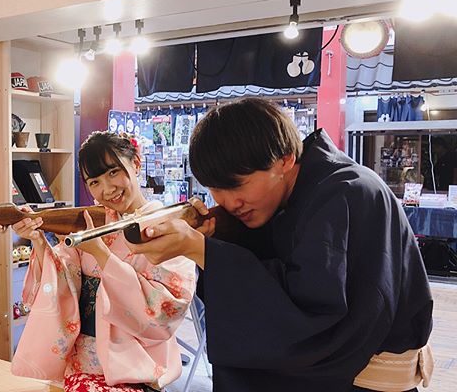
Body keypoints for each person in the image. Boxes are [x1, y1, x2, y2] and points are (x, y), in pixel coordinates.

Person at [127, 98, 434, 392]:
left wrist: (204, 251)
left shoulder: (346, 192)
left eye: (237, 184)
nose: (230, 202)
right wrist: (216, 238)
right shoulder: (298, 193)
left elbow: (314, 320)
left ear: (285, 159)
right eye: (215, 189)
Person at [10, 131, 197, 392]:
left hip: (134, 369)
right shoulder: (94, 222)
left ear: (136, 163)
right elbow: (61, 276)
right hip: (81, 365)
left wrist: (102, 255)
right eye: (94, 182)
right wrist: (38, 240)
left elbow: (167, 309)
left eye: (113, 172)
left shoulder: (168, 226)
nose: (107, 189)